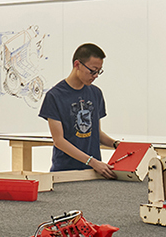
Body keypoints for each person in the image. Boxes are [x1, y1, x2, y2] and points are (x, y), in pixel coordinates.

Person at [39, 42, 119, 177]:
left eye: (99, 71)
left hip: (93, 173)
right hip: (65, 173)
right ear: (77, 64)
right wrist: (92, 162)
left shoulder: (96, 93)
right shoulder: (55, 96)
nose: (95, 75)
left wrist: (115, 144)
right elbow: (59, 141)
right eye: (92, 71)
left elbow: (96, 133)